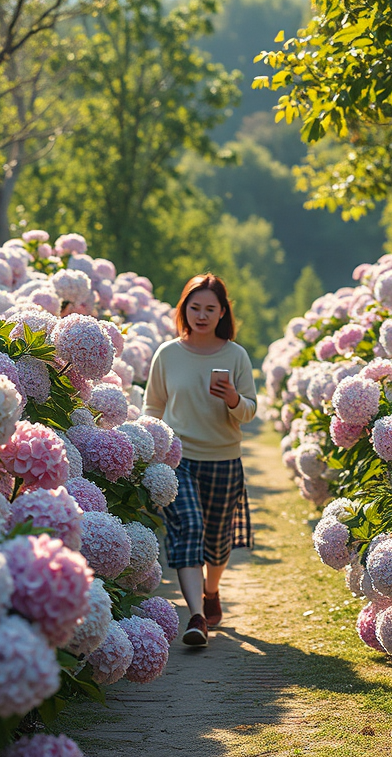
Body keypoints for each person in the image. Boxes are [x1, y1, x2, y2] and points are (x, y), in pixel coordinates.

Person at [143, 273, 258, 647]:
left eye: (211, 308)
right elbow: (152, 407)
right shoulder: (168, 353)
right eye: (195, 307)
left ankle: (211, 592)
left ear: (222, 312)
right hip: (180, 459)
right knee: (189, 528)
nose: (202, 315)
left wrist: (232, 399)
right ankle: (196, 616)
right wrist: (153, 449)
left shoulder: (235, 355)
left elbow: (250, 412)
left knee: (218, 542)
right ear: (184, 310)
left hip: (224, 458)